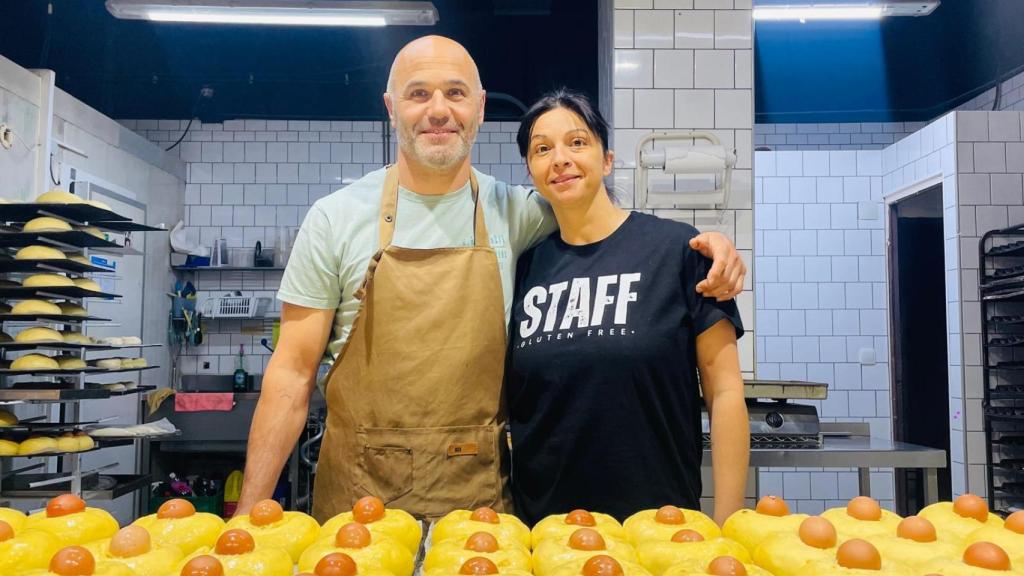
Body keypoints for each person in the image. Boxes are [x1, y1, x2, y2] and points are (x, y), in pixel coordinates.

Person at [235, 36, 747, 521]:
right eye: (418, 94)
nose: (438, 109)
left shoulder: (519, 212)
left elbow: (603, 221)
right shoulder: (334, 217)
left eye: (455, 93)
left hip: (478, 506)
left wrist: (703, 246)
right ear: (391, 108)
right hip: (359, 503)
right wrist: (248, 515)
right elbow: (291, 373)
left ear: (480, 108)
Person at [506, 89, 749, 526]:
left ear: (607, 160)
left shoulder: (678, 249)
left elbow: (726, 392)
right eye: (542, 149)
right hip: (545, 535)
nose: (560, 158)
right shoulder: (523, 269)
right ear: (531, 170)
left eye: (577, 142)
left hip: (660, 531)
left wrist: (727, 526)